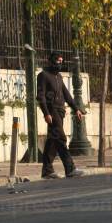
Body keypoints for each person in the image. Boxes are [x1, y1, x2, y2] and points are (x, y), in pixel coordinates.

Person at [37, 51, 85, 179]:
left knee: (53, 141)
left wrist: (76, 109)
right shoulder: (43, 75)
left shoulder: (58, 77)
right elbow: (40, 97)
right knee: (61, 138)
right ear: (51, 61)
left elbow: (66, 94)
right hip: (52, 111)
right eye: (58, 61)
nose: (59, 64)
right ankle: (70, 168)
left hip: (60, 111)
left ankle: (47, 171)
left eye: (61, 61)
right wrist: (46, 113)